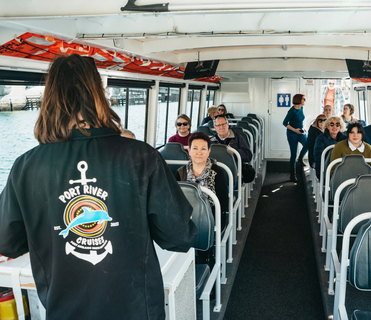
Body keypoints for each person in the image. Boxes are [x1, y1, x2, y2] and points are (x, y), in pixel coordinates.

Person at [0, 54, 198, 320]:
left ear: (49, 98)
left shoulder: (25, 168)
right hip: (136, 311)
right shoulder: (142, 157)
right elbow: (179, 236)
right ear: (98, 93)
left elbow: (7, 243)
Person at [176, 132, 228, 231]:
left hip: (211, 216)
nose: (199, 152)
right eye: (195, 148)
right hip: (186, 215)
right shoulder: (180, 172)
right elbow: (175, 200)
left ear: (209, 151)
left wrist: (203, 215)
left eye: (203, 149)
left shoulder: (217, 172)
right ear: (189, 151)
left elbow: (223, 203)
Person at [282, 93, 308, 182]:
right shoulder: (291, 111)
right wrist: (295, 130)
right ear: (299, 100)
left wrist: (303, 128)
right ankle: (292, 174)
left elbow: (300, 121)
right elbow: (285, 123)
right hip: (292, 133)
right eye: (303, 99)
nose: (305, 101)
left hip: (300, 132)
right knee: (293, 154)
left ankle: (300, 158)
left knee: (308, 144)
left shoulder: (302, 108)